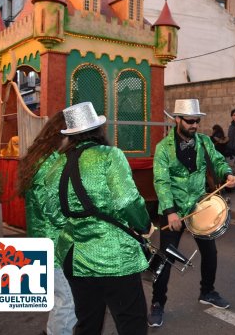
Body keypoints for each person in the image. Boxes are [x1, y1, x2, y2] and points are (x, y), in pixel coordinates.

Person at [45, 102, 153, 335]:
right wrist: (144, 224)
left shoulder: (55, 166)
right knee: (131, 324)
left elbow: (54, 214)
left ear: (72, 135)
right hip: (115, 258)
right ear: (98, 129)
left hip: (75, 257)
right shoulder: (110, 156)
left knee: (87, 323)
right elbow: (127, 201)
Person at [149, 99, 235, 327]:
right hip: (174, 211)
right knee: (166, 258)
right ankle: (157, 303)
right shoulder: (163, 148)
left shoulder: (205, 142)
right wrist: (169, 211)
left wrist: (227, 174)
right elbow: (161, 181)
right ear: (177, 120)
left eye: (197, 121)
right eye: (190, 121)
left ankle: (207, 291)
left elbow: (218, 161)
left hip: (200, 206)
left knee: (210, 253)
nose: (194, 125)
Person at [17, 111, 77, 335]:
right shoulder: (50, 166)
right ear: (64, 135)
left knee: (60, 300)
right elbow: (56, 212)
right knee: (68, 302)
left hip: (46, 243)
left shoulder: (43, 159)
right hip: (54, 247)